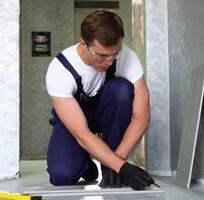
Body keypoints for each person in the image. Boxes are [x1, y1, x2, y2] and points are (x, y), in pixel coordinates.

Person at [45, 9, 154, 190]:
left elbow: (141, 117)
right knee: (62, 175)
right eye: (102, 55)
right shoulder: (60, 69)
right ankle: (87, 165)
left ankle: (107, 166)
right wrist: (123, 167)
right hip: (76, 121)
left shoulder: (128, 58)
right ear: (84, 44)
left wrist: (115, 165)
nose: (110, 61)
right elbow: (82, 134)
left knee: (121, 90)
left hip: (109, 112)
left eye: (115, 54)